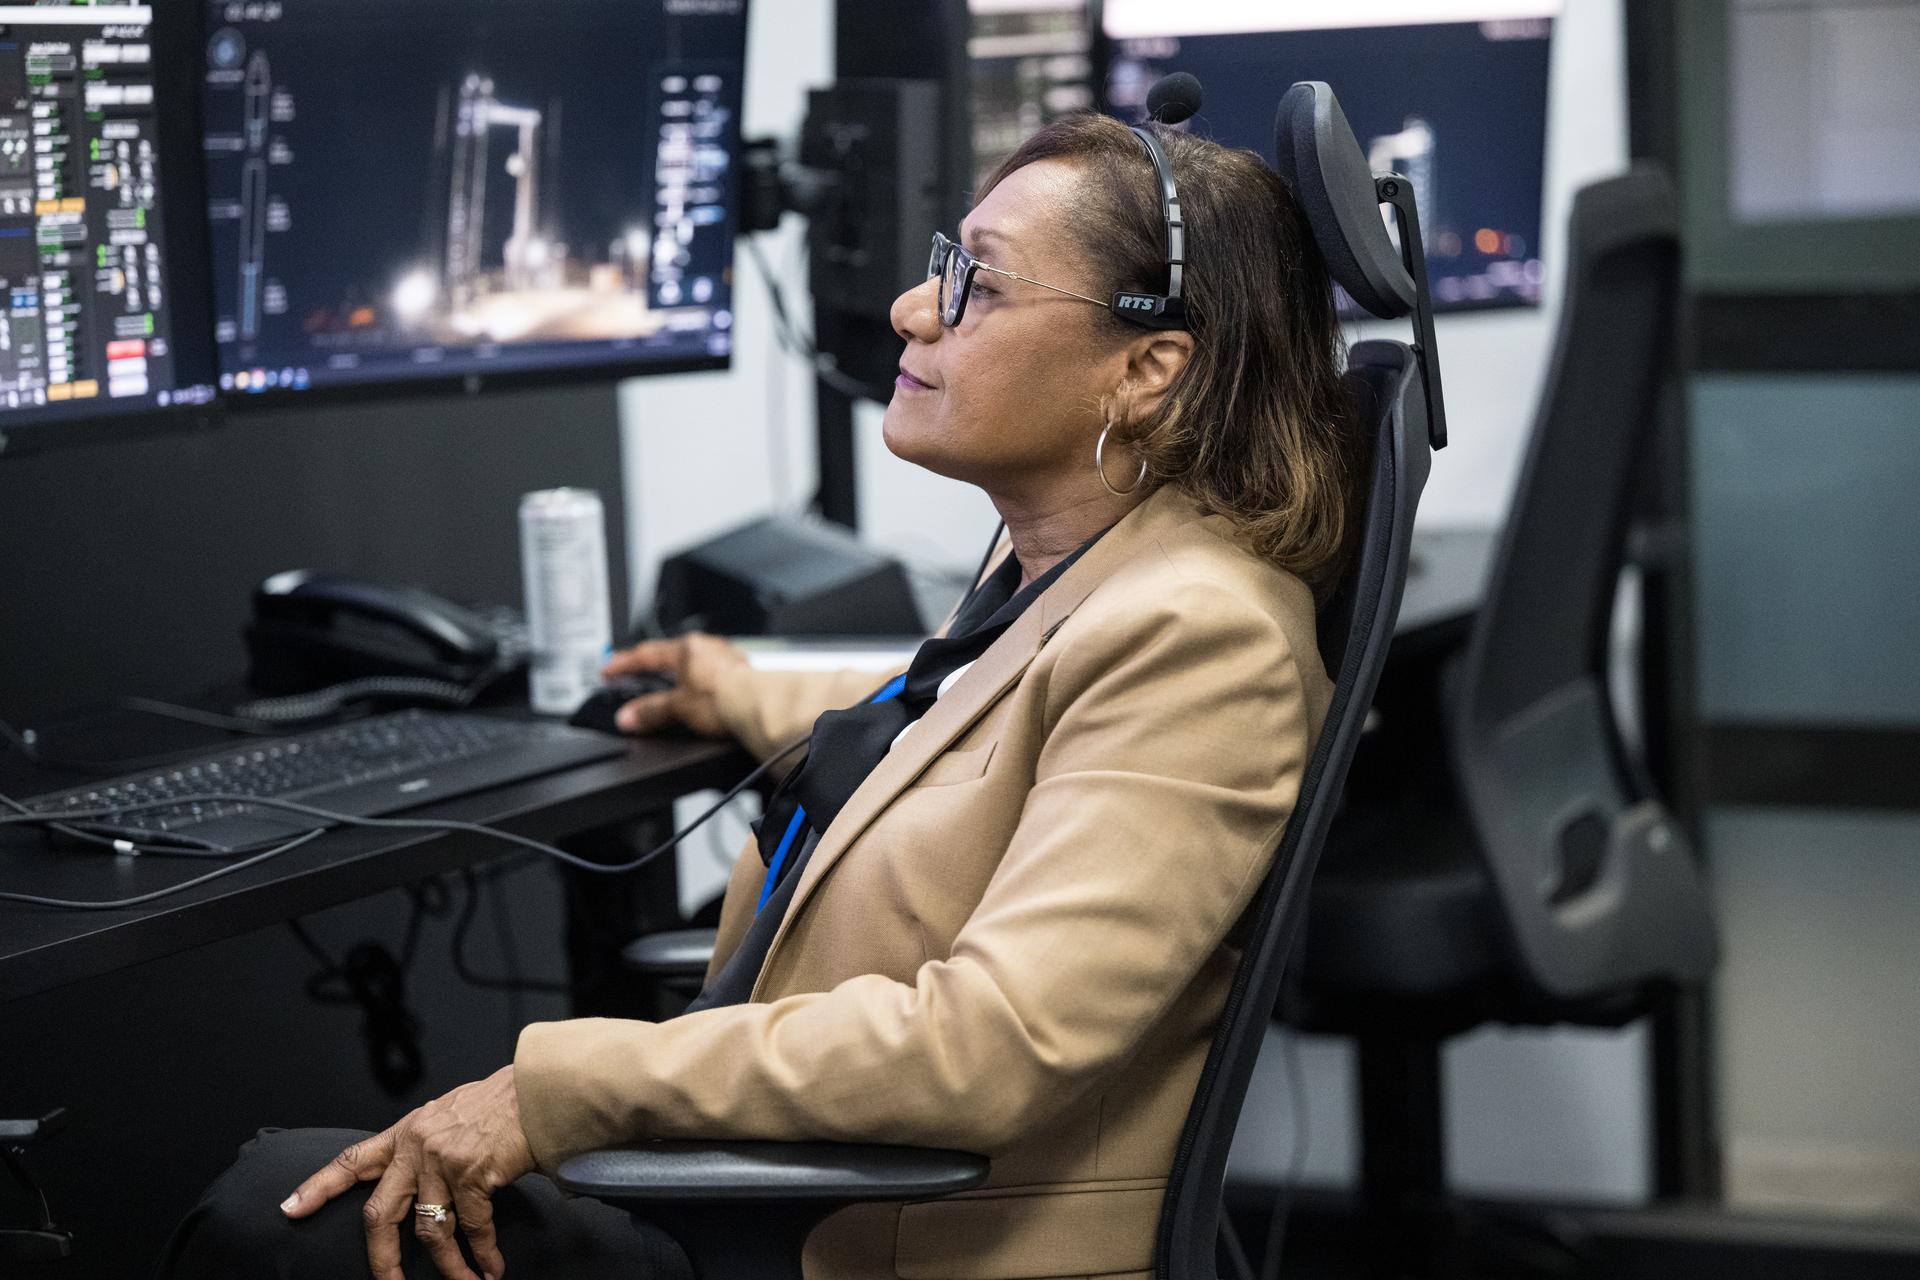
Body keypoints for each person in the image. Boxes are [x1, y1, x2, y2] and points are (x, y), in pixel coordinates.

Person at [161, 111, 1358, 1280]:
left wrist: (559, 1088)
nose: (909, 309)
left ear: (1148, 370)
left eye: (977, 288)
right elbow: (985, 724)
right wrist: (742, 686)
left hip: (850, 1236)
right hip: (776, 1180)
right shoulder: (1075, 558)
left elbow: (990, 1045)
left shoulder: (1201, 637)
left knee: (262, 1217)